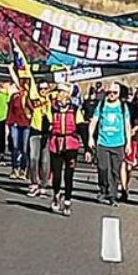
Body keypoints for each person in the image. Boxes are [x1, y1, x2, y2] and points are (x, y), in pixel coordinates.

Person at [90, 82, 131, 206]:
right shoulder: (102, 105)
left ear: (119, 94)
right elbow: (94, 121)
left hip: (118, 143)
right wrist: (90, 138)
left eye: (115, 93)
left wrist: (128, 143)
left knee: (115, 171)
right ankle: (103, 189)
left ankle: (112, 195)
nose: (112, 95)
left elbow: (127, 125)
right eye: (110, 93)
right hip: (103, 142)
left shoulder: (123, 107)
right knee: (102, 168)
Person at [48, 87, 84, 216]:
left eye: (64, 94)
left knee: (69, 176)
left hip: (71, 145)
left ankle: (68, 200)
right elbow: (47, 124)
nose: (61, 97)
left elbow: (81, 128)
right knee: (56, 175)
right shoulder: (52, 109)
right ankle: (56, 194)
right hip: (56, 144)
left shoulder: (74, 110)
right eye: (59, 94)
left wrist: (87, 148)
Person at [25, 82, 53, 197]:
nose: (43, 90)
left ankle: (43, 185)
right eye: (41, 88)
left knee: (45, 161)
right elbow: (27, 105)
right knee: (33, 158)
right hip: (35, 131)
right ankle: (34, 183)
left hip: (47, 132)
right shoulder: (33, 99)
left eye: (45, 88)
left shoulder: (51, 98)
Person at [6, 81, 31, 180]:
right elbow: (10, 110)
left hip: (26, 124)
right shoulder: (15, 96)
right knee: (15, 147)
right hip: (15, 123)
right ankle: (14, 168)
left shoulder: (31, 97)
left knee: (25, 148)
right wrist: (9, 123)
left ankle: (23, 169)